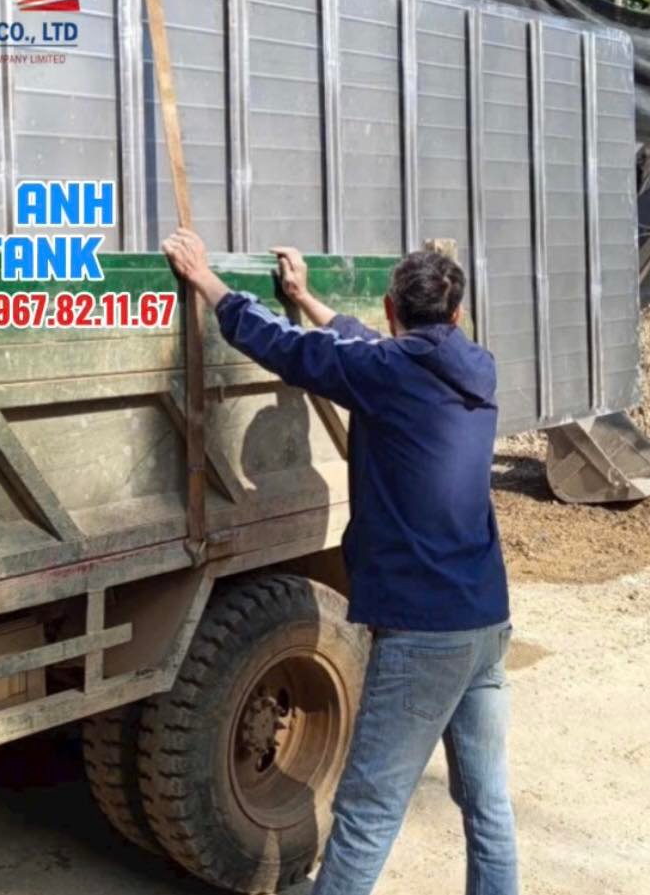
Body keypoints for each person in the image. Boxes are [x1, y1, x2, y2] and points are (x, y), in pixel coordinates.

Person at [160, 228, 517, 895]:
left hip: (424, 631)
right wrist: (307, 298)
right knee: (487, 803)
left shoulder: (386, 372)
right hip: (486, 620)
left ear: (391, 307)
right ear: (458, 315)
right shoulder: (478, 368)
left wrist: (205, 279)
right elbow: (367, 348)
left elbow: (287, 348)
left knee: (366, 813)